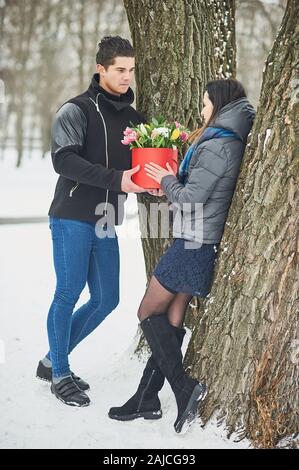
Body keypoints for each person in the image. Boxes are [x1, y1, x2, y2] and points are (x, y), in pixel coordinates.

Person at [108, 78, 256, 433]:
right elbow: (190, 189)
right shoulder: (222, 139)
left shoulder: (220, 144)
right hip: (197, 239)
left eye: (205, 103)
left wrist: (168, 179)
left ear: (218, 104)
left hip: (192, 241)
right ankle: (146, 397)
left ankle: (183, 387)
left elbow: (191, 197)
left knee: (147, 310)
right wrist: (167, 186)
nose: (202, 109)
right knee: (172, 316)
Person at [36, 36, 145, 407]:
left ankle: (52, 358)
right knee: (68, 292)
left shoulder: (135, 120)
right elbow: (63, 161)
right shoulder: (76, 109)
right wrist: (117, 180)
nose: (127, 76)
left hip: (107, 218)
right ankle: (60, 373)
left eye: (131, 69)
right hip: (71, 215)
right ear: (101, 69)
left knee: (106, 299)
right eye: (120, 70)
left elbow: (140, 168)